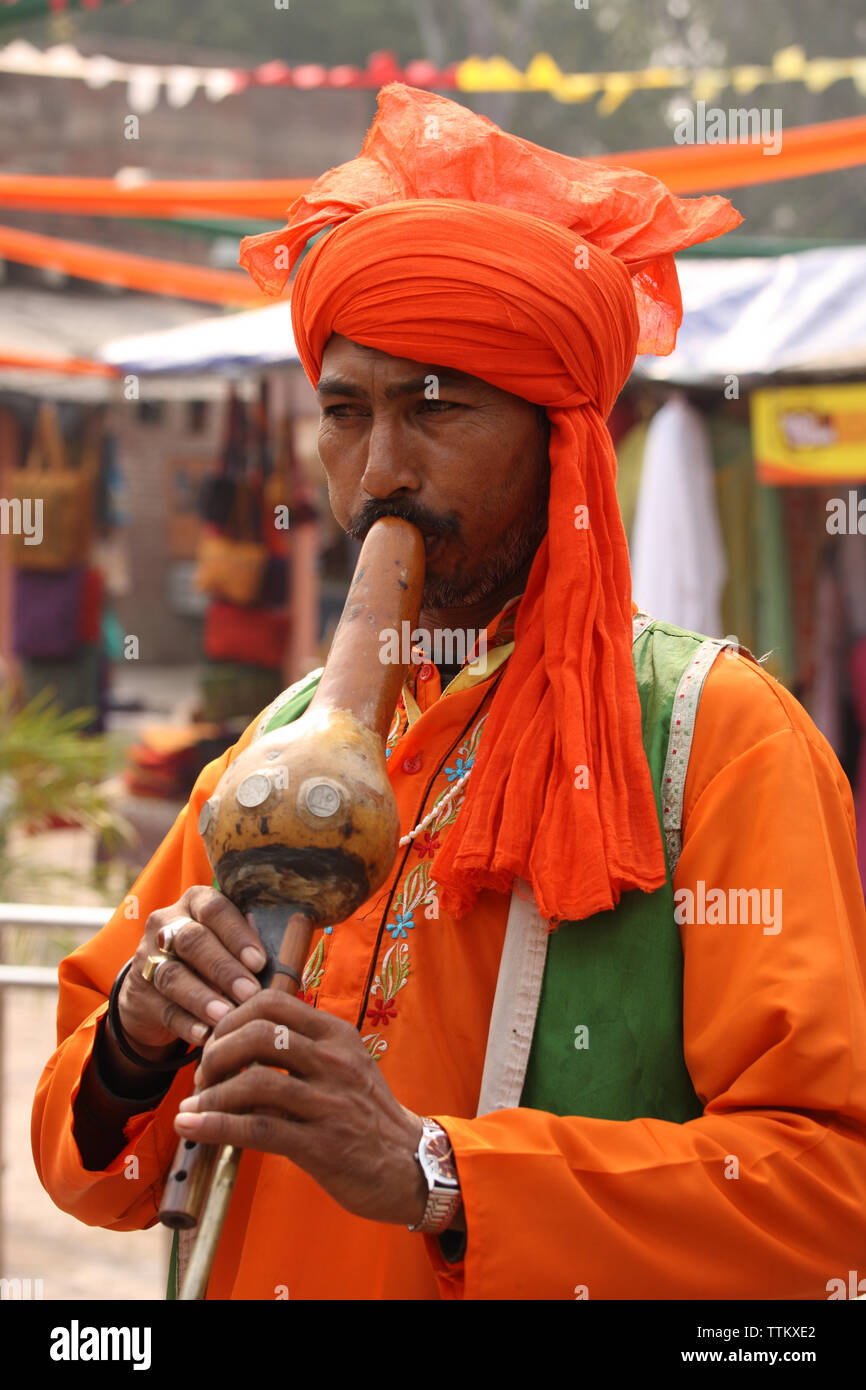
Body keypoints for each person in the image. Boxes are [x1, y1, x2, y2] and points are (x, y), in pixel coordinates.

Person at [33, 85, 866, 1300]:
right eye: (344, 413)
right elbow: (82, 1167)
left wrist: (434, 1172)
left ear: (562, 440)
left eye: (436, 408)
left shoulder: (716, 738)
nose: (378, 471)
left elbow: (825, 1188)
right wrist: (132, 1038)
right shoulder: (274, 748)